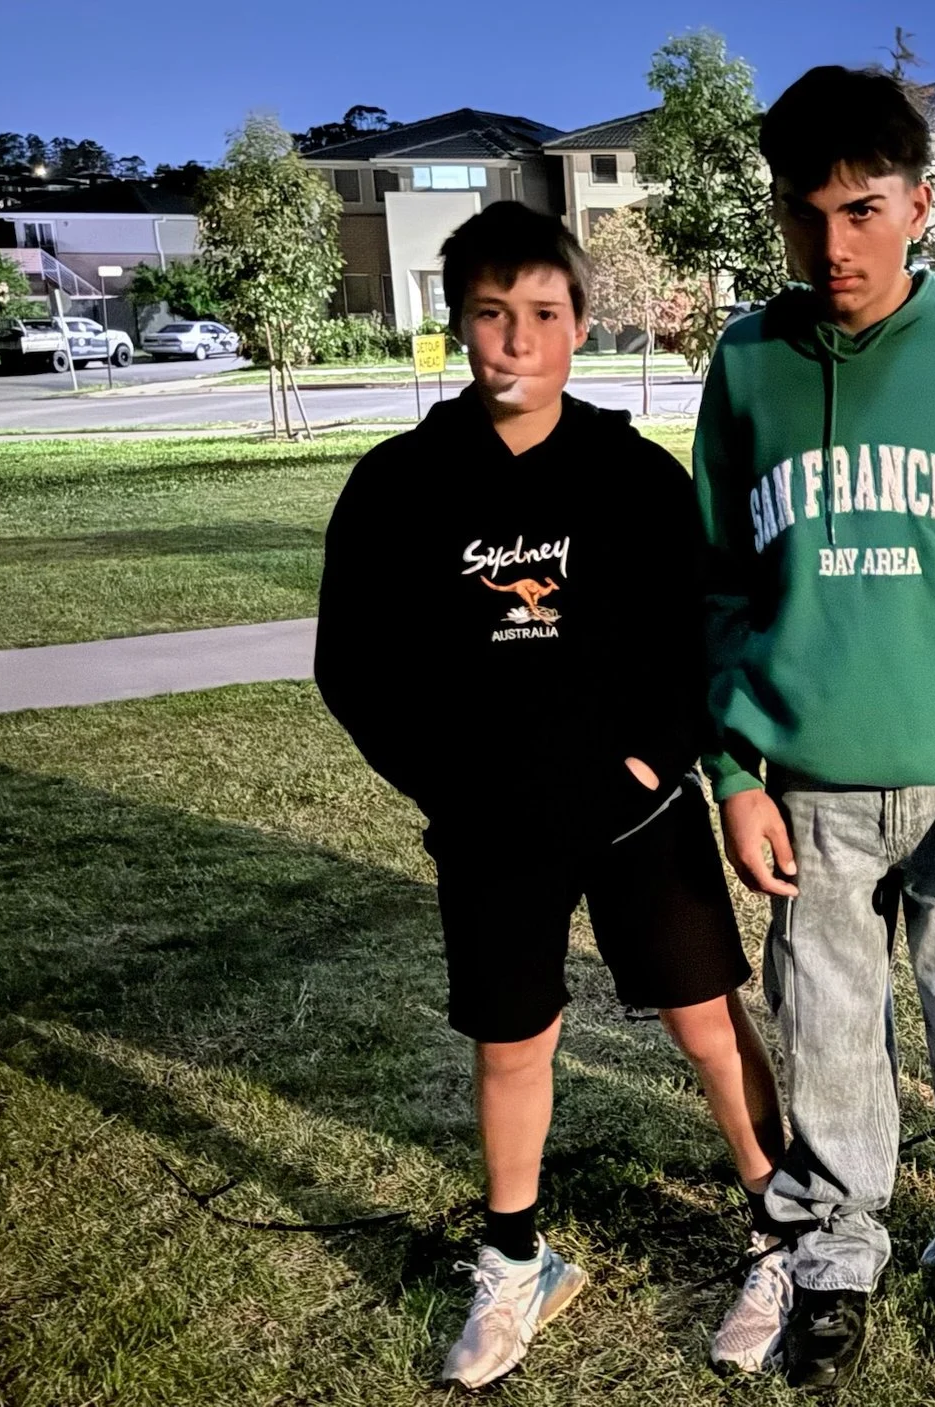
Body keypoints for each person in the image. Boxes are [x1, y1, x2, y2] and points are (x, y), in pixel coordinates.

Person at [313, 200, 787, 1389]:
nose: (517, 340)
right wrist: (451, 785)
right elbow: (354, 666)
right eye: (491, 315)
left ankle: (780, 1232)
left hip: (639, 818)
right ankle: (518, 1259)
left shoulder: (634, 478)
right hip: (492, 829)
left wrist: (652, 760)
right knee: (513, 1040)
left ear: (579, 323)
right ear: (457, 324)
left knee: (707, 1021)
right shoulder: (399, 484)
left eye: (541, 313)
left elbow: (697, 637)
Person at [693, 65, 935, 1388]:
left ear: (919, 205)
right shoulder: (749, 363)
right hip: (806, 783)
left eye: (862, 210)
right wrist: (733, 771)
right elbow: (720, 585)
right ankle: (837, 1248)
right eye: (804, 214)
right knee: (825, 1031)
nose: (834, 245)